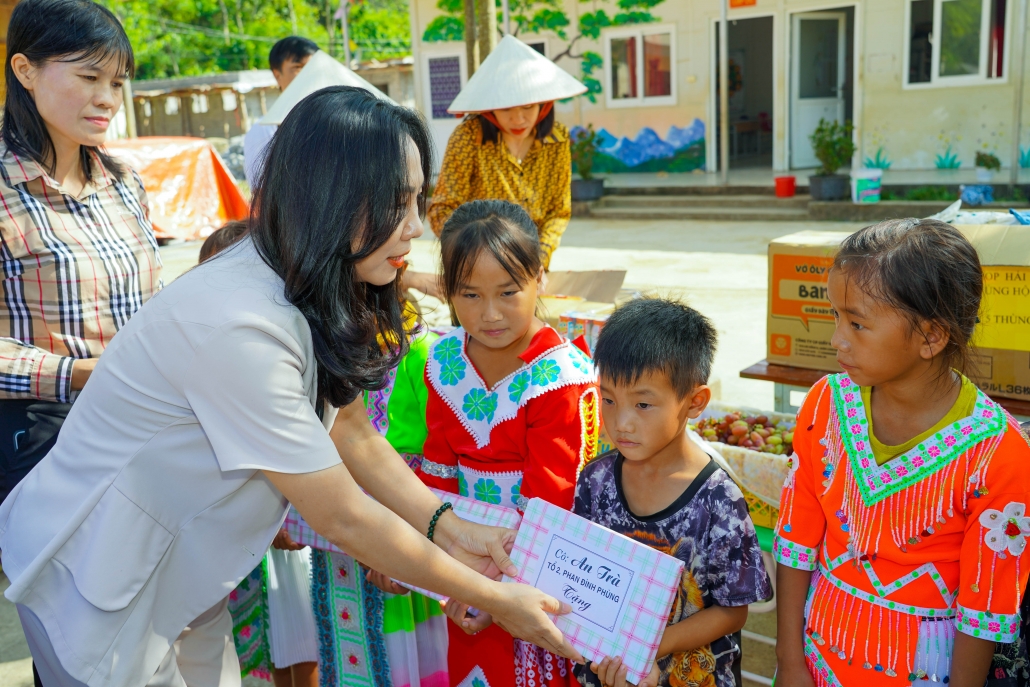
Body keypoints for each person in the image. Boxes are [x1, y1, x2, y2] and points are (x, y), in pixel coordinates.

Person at [0, 86, 584, 687]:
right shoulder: (241, 325)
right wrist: (494, 594)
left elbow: (353, 431)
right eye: (398, 203)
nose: (416, 227)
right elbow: (343, 516)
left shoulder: (308, 274)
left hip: (175, 568)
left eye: (419, 199)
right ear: (332, 197)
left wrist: (450, 527)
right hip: (97, 580)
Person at [774, 219, 1030, 687]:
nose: (837, 340)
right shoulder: (825, 404)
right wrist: (789, 661)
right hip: (814, 657)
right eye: (835, 317)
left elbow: (984, 608)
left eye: (857, 323)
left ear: (931, 337)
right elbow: (796, 541)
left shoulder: (998, 454)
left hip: (923, 672)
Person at [416, 199, 600, 687]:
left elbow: (553, 500)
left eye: (508, 292)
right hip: (459, 565)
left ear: (540, 278)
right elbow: (436, 470)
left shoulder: (560, 377)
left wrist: (496, 594)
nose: (489, 314)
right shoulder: (444, 360)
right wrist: (429, 561)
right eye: (469, 295)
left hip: (530, 569)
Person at [0, 0, 162, 505]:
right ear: (25, 70)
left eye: (116, 82)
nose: (108, 98)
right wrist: (77, 372)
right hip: (43, 435)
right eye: (90, 76)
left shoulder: (124, 183)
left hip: (144, 422)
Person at [575, 298, 773, 687]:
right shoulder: (595, 481)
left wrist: (647, 646)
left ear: (694, 403)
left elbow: (733, 612)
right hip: (606, 672)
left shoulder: (718, 501)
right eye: (609, 399)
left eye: (643, 404)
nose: (621, 422)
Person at [407, 37, 586, 298]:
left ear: (544, 106)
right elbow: (442, 208)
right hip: (473, 266)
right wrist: (475, 253)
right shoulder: (468, 137)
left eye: (528, 107)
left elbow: (558, 212)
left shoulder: (556, 139)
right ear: (490, 110)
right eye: (506, 109)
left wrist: (538, 260)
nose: (518, 118)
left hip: (528, 266)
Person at [243, 35, 318, 185]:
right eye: (298, 67)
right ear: (277, 75)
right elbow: (260, 191)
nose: (308, 74)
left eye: (312, 67)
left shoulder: (335, 118)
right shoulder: (264, 130)